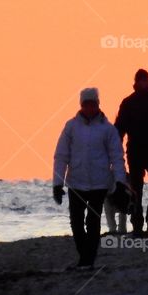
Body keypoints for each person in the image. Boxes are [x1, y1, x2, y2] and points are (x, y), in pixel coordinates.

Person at [53, 87, 127, 268]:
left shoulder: (107, 129)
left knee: (93, 221)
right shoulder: (71, 127)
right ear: (81, 105)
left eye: (92, 104)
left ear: (98, 104)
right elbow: (61, 155)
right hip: (76, 182)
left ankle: (89, 258)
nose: (89, 107)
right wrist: (57, 183)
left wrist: (119, 182)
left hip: (99, 183)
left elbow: (117, 157)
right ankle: (84, 254)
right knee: (76, 222)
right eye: (86, 104)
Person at [114, 69, 148, 236]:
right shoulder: (128, 103)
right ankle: (137, 223)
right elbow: (119, 129)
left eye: (146, 80)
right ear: (136, 83)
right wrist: (116, 155)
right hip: (135, 152)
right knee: (136, 188)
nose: (144, 83)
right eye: (141, 80)